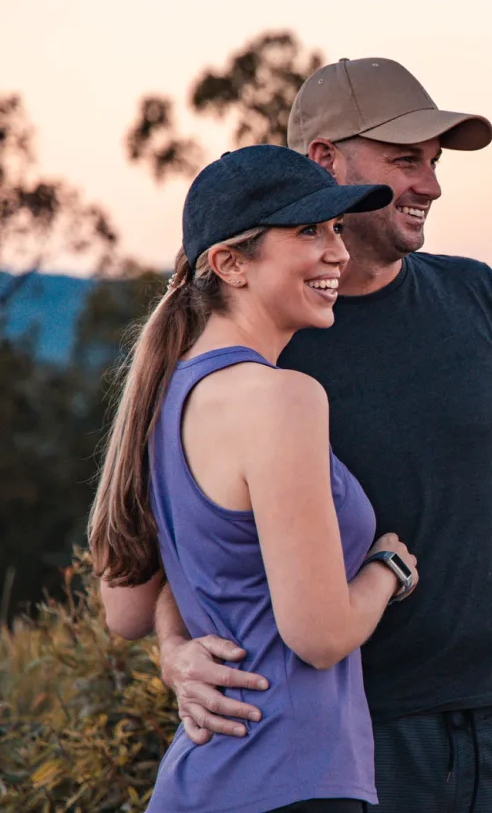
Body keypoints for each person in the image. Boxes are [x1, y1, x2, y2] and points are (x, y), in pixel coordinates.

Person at [144, 58, 492, 813]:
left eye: (434, 161)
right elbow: (178, 527)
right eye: (404, 160)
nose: (430, 183)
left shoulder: (478, 296)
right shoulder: (269, 339)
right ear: (325, 159)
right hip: (349, 745)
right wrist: (175, 651)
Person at [90, 144, 420, 813]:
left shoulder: (162, 401)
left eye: (334, 230)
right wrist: (389, 567)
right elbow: (319, 635)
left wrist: (176, 645)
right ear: (230, 263)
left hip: (204, 783)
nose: (338, 252)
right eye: (308, 232)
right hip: (293, 779)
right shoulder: (282, 398)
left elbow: (124, 610)